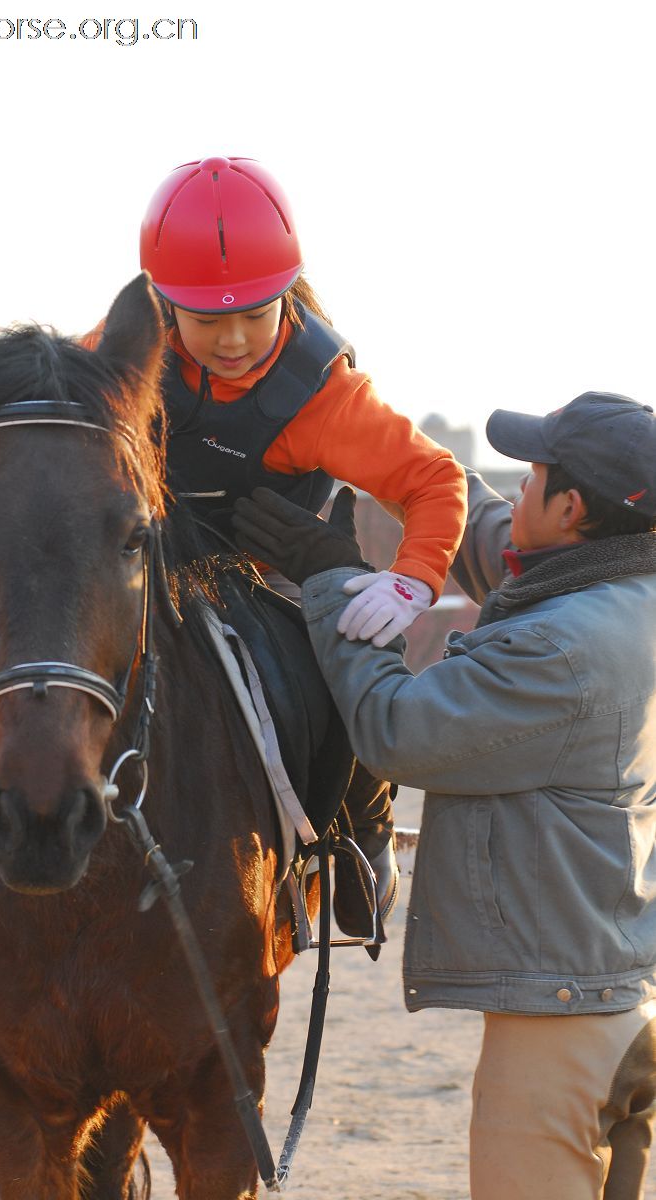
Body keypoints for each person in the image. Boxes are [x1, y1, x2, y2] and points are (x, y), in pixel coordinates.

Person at [232, 391, 656, 1199]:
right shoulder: (617, 586)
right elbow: (490, 529)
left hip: (558, 1038)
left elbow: (398, 729)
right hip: (621, 996)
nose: (517, 490)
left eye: (531, 478)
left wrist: (331, 579)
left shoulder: (561, 646)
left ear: (569, 508)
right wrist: (354, 419)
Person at [82, 155, 468, 936]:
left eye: (255, 314)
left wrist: (410, 580)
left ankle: (361, 831)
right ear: (160, 302)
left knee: (339, 666)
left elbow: (434, 479)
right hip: (139, 569)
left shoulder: (324, 394)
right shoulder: (114, 356)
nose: (233, 340)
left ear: (286, 292)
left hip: (266, 576)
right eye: (205, 319)